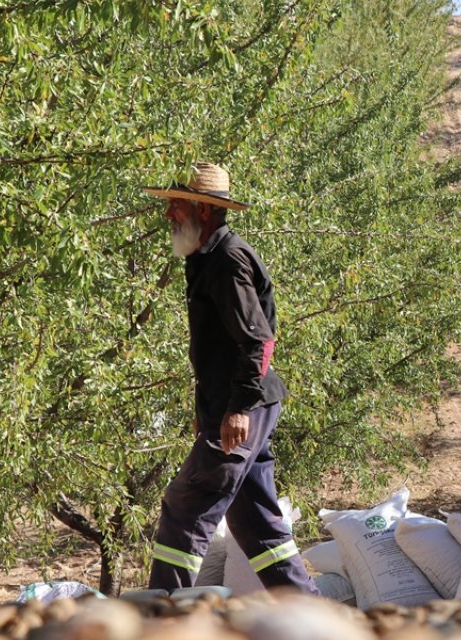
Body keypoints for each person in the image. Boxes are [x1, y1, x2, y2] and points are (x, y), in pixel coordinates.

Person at [141, 163, 315, 593]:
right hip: (238, 406)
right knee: (256, 524)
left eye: (176, 206)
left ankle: (163, 614)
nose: (168, 216)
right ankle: (312, 616)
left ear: (202, 208)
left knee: (186, 507)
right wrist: (210, 410)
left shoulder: (226, 259)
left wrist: (237, 408)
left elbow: (258, 342)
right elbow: (218, 348)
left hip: (246, 407)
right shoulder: (206, 256)